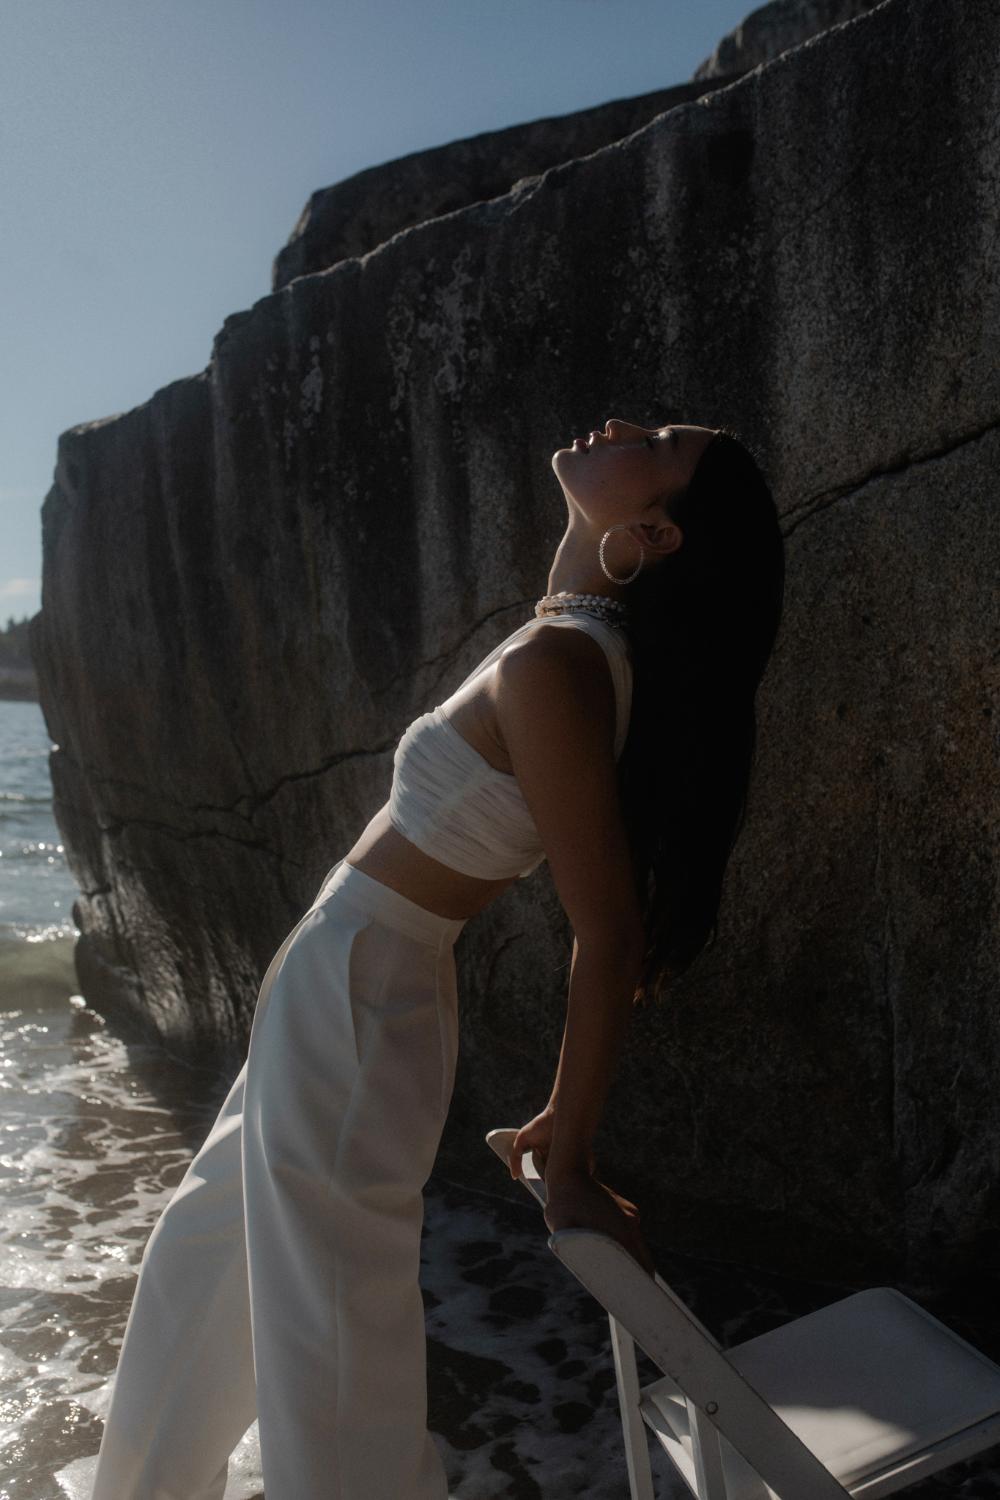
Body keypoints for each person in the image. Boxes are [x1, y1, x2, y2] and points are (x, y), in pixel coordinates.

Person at [89, 416, 784, 1500]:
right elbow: (574, 593)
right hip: (338, 981)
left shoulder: (563, 667)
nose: (623, 424)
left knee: (329, 1334)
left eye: (658, 440)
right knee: (205, 1265)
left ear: (655, 530)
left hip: (366, 990)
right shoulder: (570, 638)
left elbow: (610, 935)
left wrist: (576, 1154)